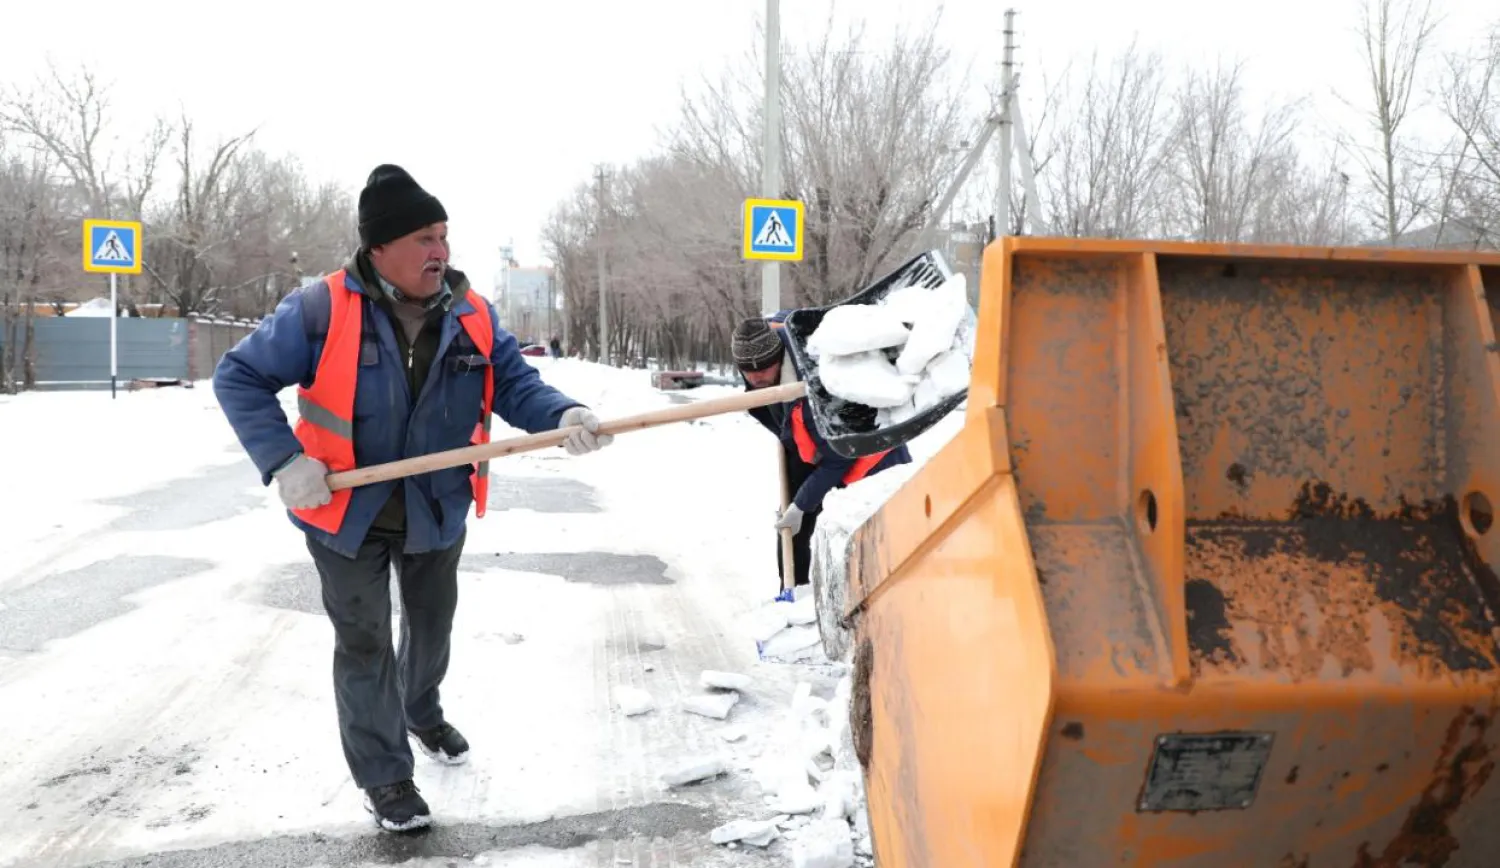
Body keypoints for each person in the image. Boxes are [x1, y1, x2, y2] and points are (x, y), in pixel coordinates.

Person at [212, 164, 614, 833]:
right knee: (365, 641)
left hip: (434, 509)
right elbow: (240, 376)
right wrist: (285, 460)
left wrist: (563, 414)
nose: (440, 251)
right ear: (380, 249)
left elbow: (516, 385)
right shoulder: (321, 308)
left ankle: (421, 712)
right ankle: (387, 777)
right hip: (344, 511)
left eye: (444, 236)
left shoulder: (472, 313)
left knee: (429, 630)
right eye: (425, 237)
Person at [730, 314, 911, 598]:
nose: (756, 378)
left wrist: (803, 504)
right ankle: (792, 595)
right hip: (813, 445)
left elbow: (841, 458)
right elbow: (779, 321)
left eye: (765, 369)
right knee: (790, 528)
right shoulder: (771, 341)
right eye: (748, 372)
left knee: (873, 552)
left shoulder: (817, 388)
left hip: (872, 463)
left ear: (779, 356)